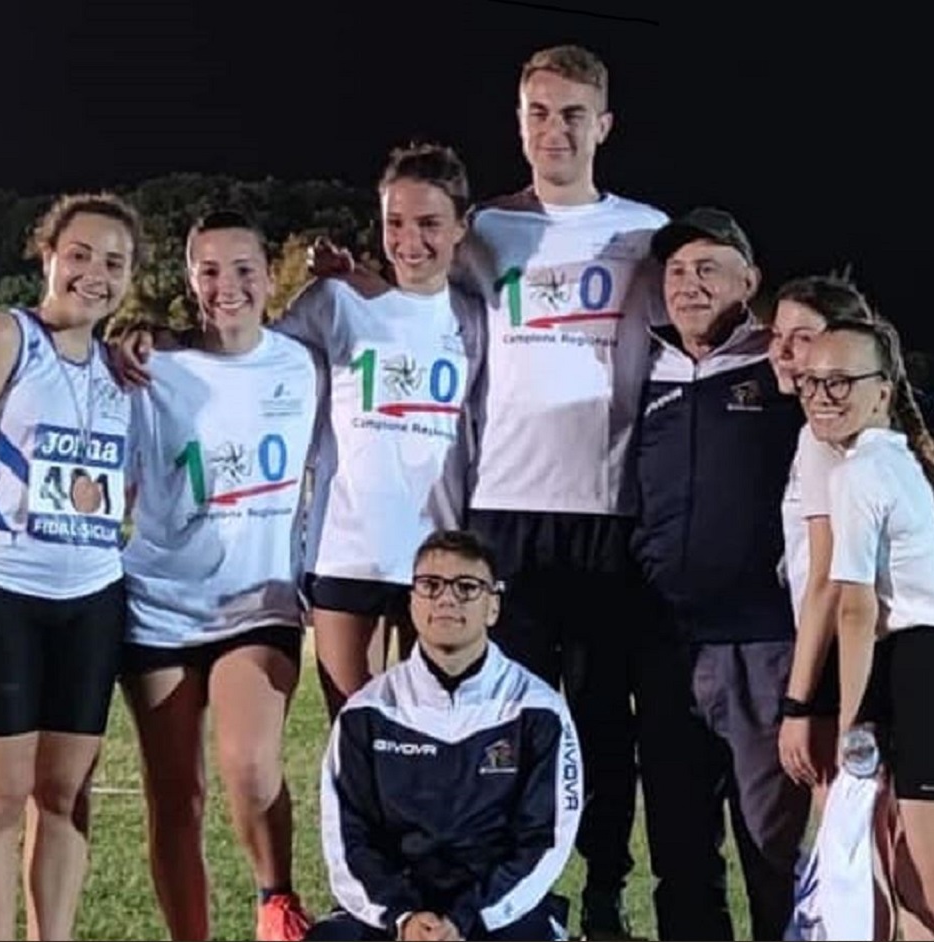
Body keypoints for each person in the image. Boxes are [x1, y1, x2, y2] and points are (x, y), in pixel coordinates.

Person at [307, 45, 667, 938]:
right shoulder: (490, 230)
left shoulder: (647, 231)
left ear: (604, 125)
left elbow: (715, 315)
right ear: (519, 122)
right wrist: (350, 276)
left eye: (573, 114)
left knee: (599, 725)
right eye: (538, 112)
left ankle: (605, 890)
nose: (555, 130)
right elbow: (413, 288)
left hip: (607, 511)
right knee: (487, 724)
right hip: (503, 513)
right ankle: (476, 896)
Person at [113, 143, 485, 726]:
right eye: (395, 223)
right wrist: (153, 336)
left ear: (461, 227)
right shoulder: (336, 300)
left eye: (429, 224)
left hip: (437, 553)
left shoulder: (476, 317)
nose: (409, 240)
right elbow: (243, 350)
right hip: (346, 554)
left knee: (437, 730)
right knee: (356, 734)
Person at [0, 191, 140, 940]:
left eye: (115, 262)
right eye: (80, 255)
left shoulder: (121, 369)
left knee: (65, 794)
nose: (95, 274)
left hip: (93, 598)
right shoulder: (6, 335)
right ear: (47, 256)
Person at [118, 210, 321, 941]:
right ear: (189, 279)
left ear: (269, 277)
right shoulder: (149, 370)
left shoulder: (303, 366)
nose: (226, 285)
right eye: (209, 270)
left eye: (243, 270)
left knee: (248, 762)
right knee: (176, 798)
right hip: (158, 607)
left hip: (258, 604)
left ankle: (277, 901)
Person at [799, 318, 934, 940]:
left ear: (883, 392)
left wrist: (847, 730)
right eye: (812, 381)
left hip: (933, 691)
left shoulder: (858, 473)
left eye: (841, 381)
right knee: (915, 901)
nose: (822, 395)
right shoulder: (909, 460)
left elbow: (856, 611)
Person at [631, 206, 809, 941]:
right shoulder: (646, 368)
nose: (688, 284)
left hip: (759, 644)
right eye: (676, 271)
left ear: (750, 281)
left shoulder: (782, 362)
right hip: (667, 646)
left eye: (709, 268)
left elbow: (888, 389)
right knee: (678, 849)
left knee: (770, 846)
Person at [309, 528, 583, 942]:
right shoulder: (366, 713)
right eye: (430, 585)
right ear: (412, 602)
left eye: (466, 587)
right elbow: (349, 841)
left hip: (495, 912)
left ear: (493, 606)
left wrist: (465, 918)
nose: (446, 599)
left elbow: (545, 841)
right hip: (397, 913)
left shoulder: (539, 710)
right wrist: (403, 918)